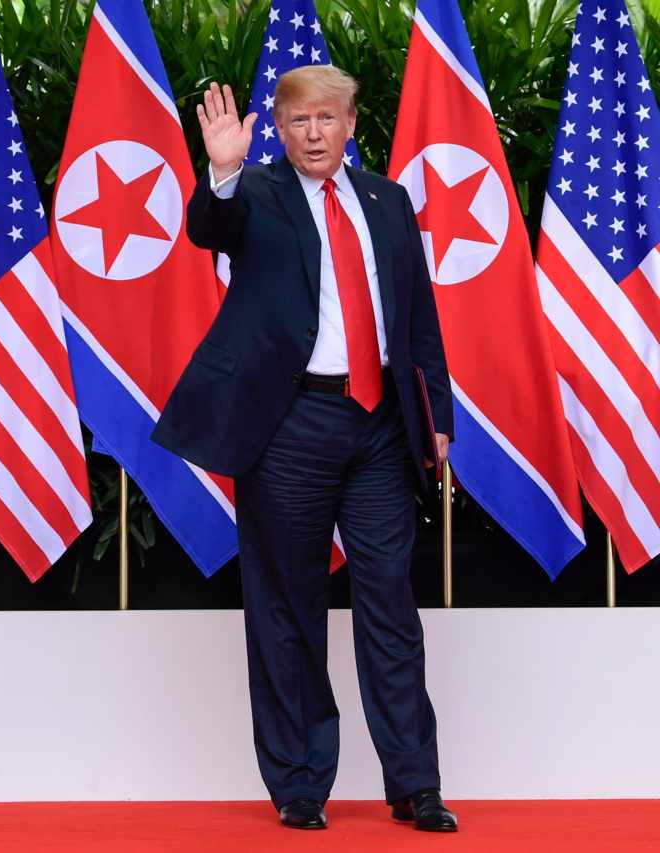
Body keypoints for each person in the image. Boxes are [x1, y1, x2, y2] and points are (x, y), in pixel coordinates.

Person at [153, 66, 458, 832]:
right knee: (288, 606)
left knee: (391, 601)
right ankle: (299, 782)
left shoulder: (389, 202)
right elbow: (208, 229)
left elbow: (417, 318)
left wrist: (439, 414)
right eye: (297, 121)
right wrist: (221, 168)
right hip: (290, 425)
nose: (314, 132)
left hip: (382, 426)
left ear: (352, 124)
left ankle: (415, 783)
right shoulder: (253, 194)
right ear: (279, 130)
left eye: (327, 118)